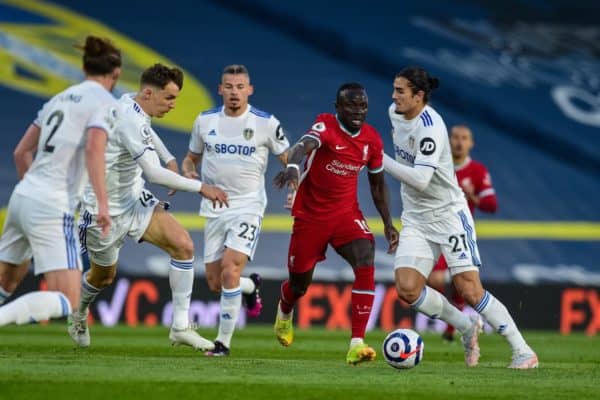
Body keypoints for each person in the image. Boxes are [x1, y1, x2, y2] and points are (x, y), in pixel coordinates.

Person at [383, 66, 538, 369]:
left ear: (419, 95)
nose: (393, 96)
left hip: (449, 215)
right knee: (407, 288)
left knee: (469, 289)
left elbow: (421, 180)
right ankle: (467, 327)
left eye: (401, 91)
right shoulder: (394, 112)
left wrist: (379, 158)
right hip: (416, 217)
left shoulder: (432, 126)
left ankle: (522, 350)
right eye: (394, 89)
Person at [68, 63, 228, 350]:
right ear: (149, 92)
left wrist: (168, 156)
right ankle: (78, 312)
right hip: (104, 210)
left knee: (184, 246)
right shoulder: (129, 117)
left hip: (134, 199)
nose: (173, 105)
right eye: (169, 98)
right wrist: (202, 187)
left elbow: (147, 132)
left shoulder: (131, 100)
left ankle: (180, 326)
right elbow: (153, 174)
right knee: (102, 277)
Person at [272, 82, 399, 365]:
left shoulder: (372, 140)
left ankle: (356, 343)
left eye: (363, 106)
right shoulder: (326, 125)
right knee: (299, 284)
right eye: (351, 105)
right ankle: (285, 309)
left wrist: (389, 223)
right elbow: (303, 146)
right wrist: (293, 167)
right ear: (337, 107)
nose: (357, 111)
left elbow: (378, 187)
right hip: (311, 216)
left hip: (345, 215)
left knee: (366, 259)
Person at [0, 36, 122, 326]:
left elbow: (21, 152)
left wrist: (32, 194)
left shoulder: (60, 98)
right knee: (69, 299)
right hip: (53, 205)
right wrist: (103, 204)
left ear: (84, 68)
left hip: (22, 196)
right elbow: (94, 148)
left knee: (6, 281)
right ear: (116, 74)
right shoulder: (106, 103)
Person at [181, 64, 289, 356]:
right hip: (214, 207)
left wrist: (295, 187)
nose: (234, 92)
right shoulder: (205, 121)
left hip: (248, 205)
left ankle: (223, 344)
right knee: (216, 283)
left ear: (249, 90)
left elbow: (289, 159)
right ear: (220, 89)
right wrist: (189, 173)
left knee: (229, 270)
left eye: (240, 87)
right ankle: (251, 288)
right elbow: (190, 158)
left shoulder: (265, 123)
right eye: (229, 86)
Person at [428, 124, 498, 342]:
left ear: (471, 143)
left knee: (462, 287)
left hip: (461, 235)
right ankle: (460, 321)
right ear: (449, 140)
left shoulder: (477, 171)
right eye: (455, 137)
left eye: (464, 138)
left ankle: (452, 328)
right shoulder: (439, 165)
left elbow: (491, 205)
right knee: (435, 278)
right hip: (437, 230)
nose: (459, 142)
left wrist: (472, 196)